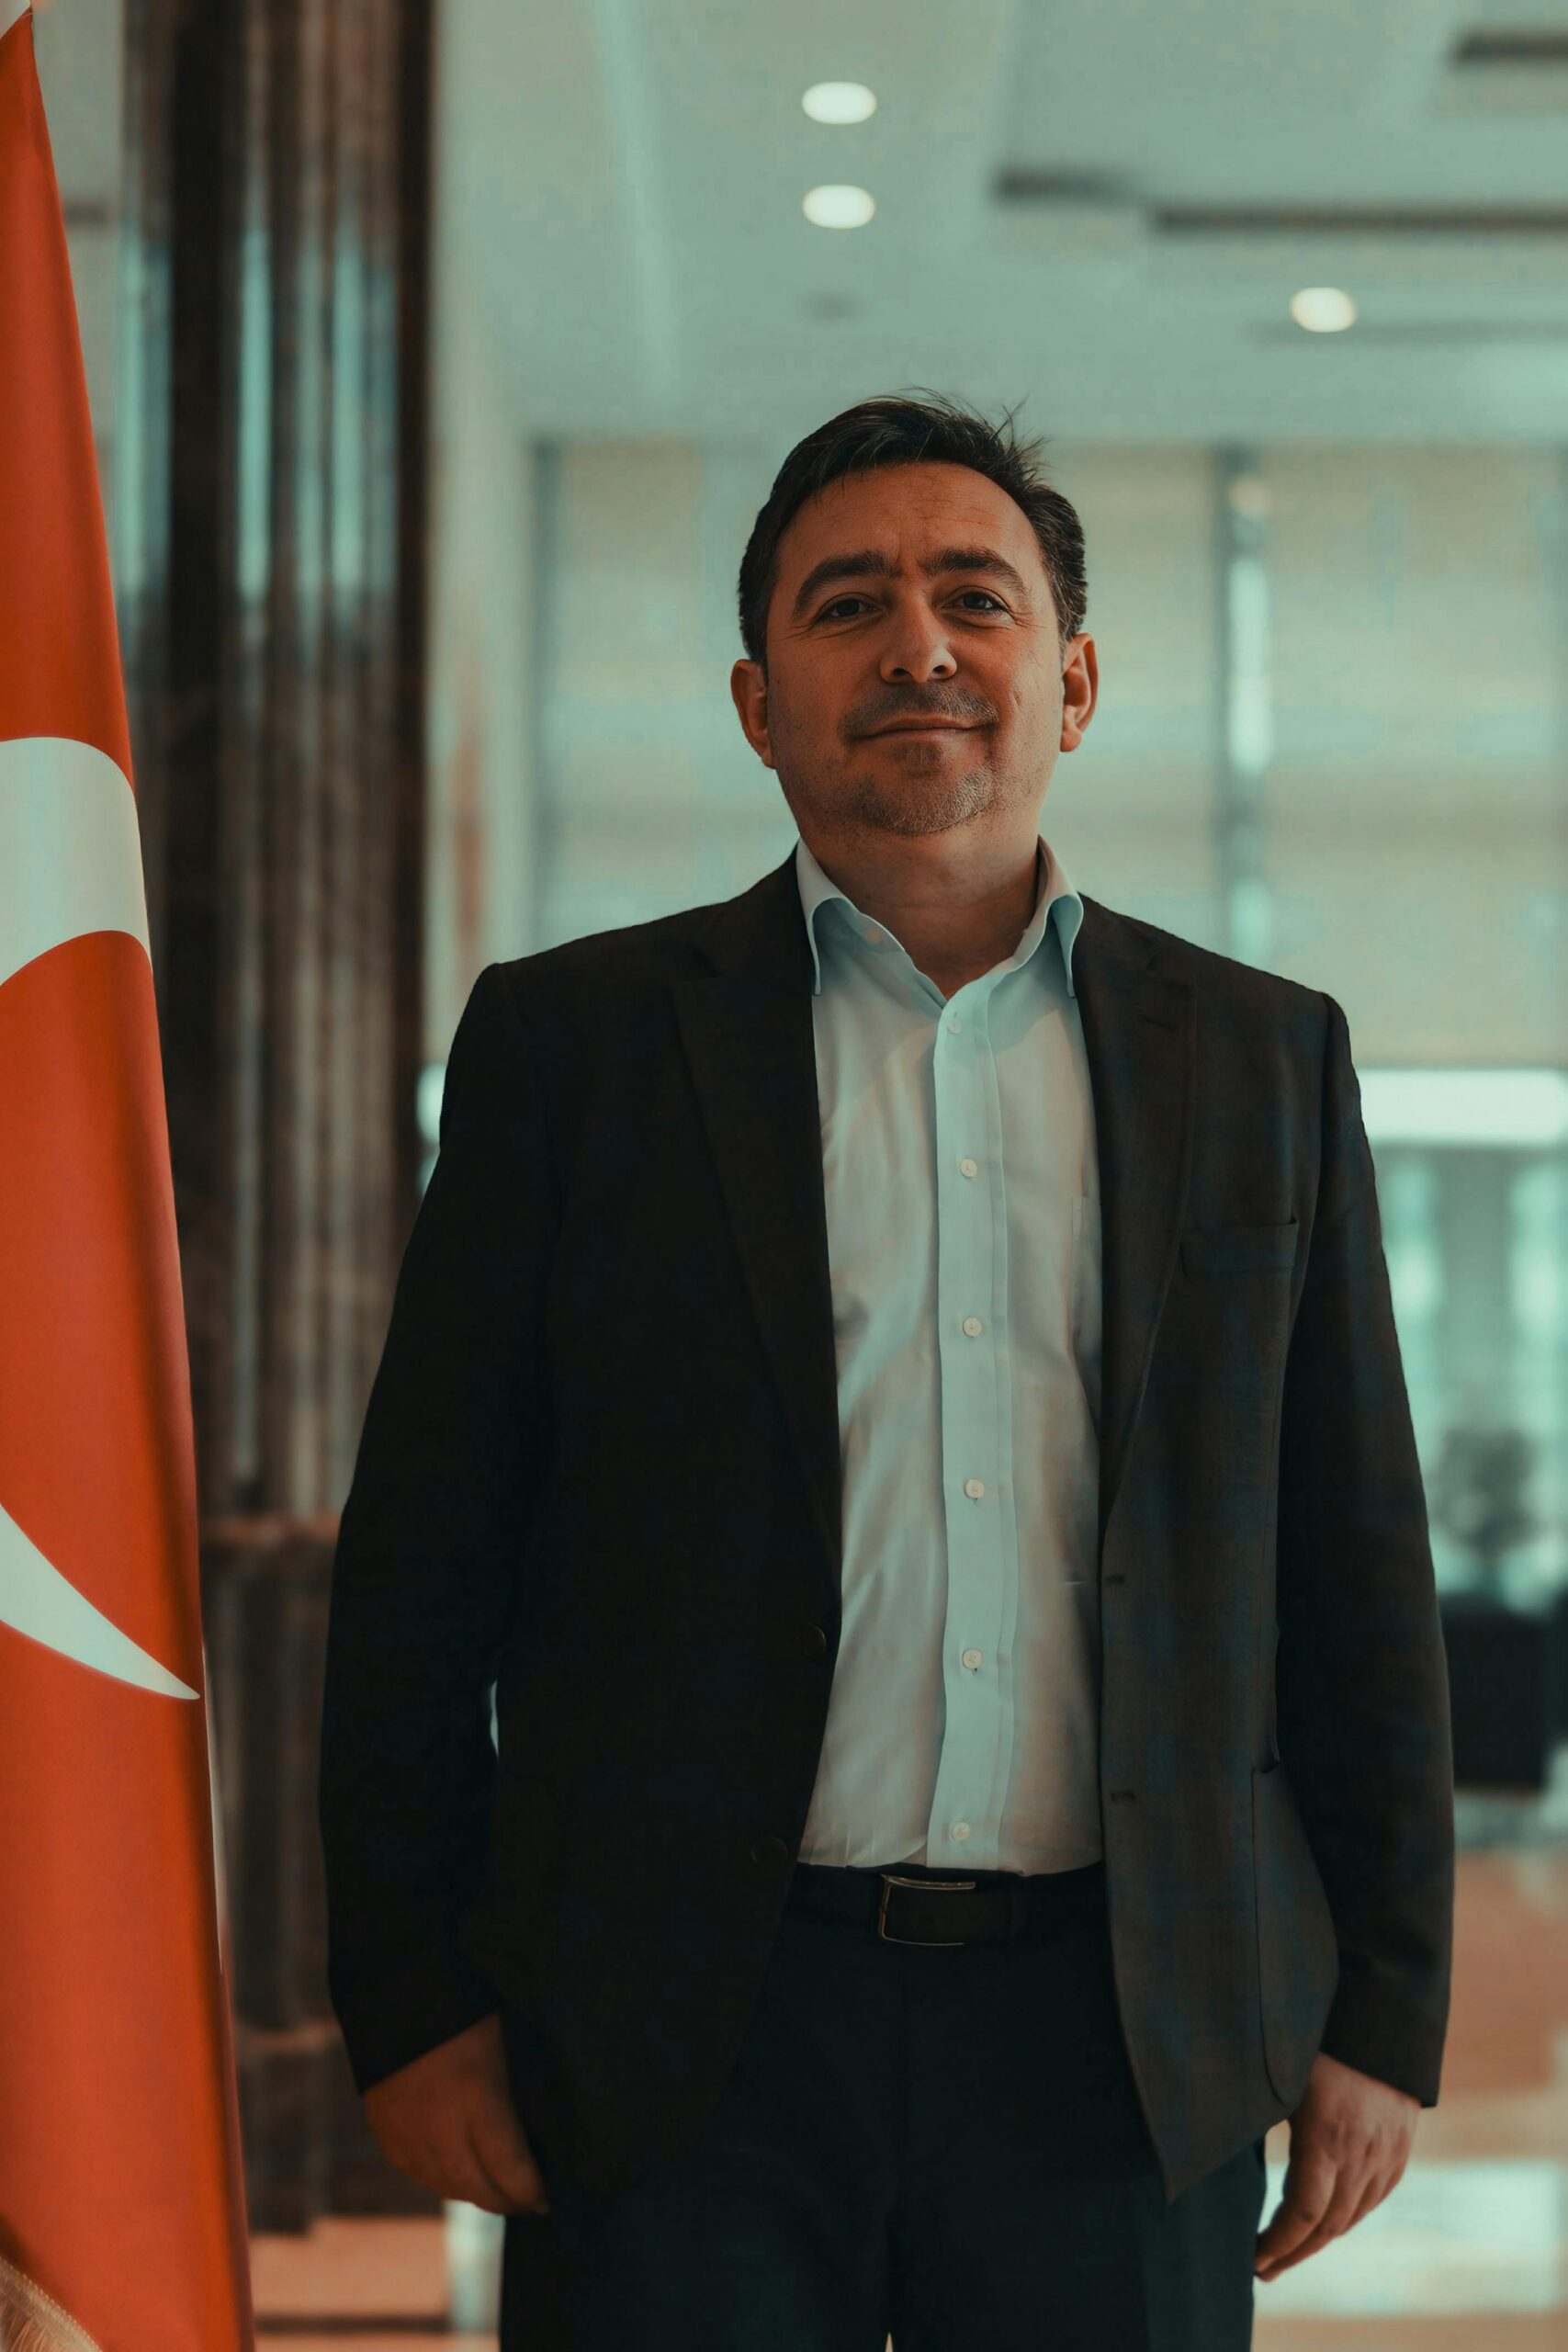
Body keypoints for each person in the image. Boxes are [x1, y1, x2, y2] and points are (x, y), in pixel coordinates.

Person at [318, 392, 1454, 2349]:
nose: (917, 643)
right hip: (685, 2029)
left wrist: (1385, 2004)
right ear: (759, 699)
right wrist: (411, 1993)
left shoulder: (1259, 1060)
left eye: (972, 597)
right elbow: (422, 1562)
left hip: (1119, 2034)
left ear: (1069, 679)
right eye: (847, 605)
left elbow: (1351, 1555)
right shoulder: (572, 1050)